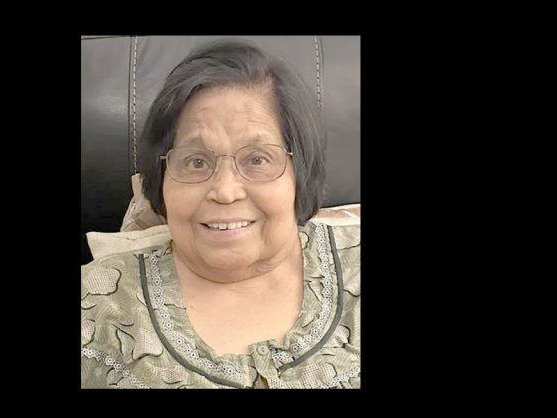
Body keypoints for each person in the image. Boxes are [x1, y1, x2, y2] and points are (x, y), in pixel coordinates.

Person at [81, 38, 360, 388]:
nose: (225, 192)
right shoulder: (95, 305)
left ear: (300, 173)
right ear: (162, 179)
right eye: (196, 162)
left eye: (257, 159)